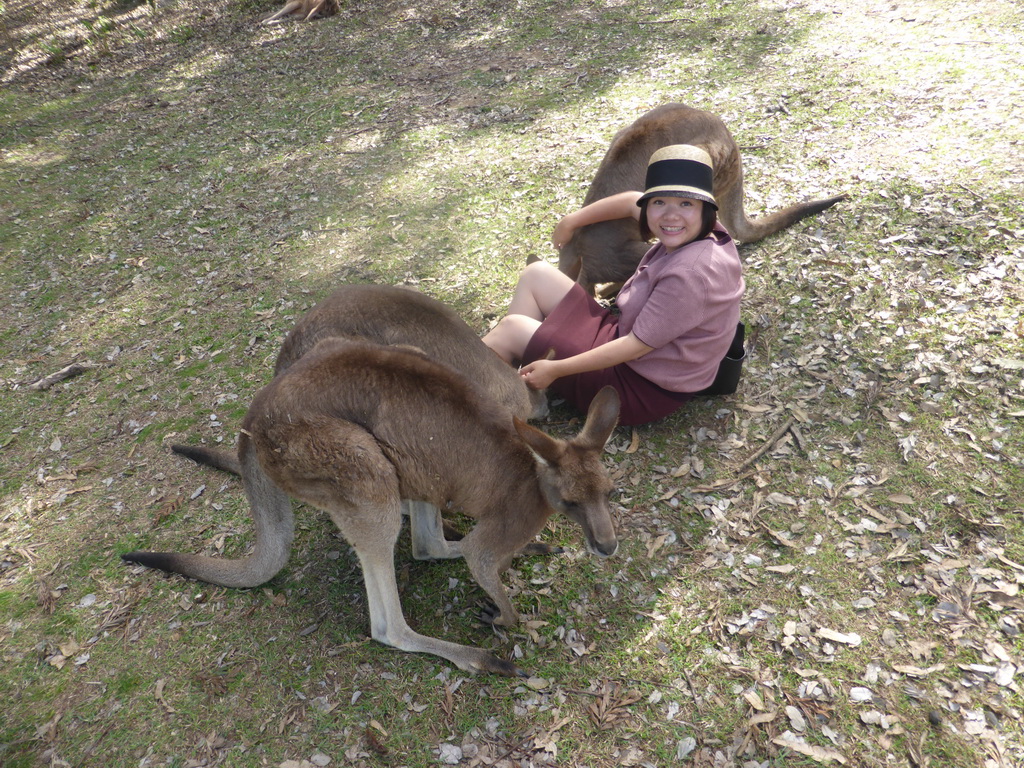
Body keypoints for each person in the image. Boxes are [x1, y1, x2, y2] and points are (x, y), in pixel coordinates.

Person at [481, 144, 744, 426]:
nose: (670, 216)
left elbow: (635, 346)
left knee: (510, 330)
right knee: (536, 274)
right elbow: (631, 201)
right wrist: (571, 221)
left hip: (637, 388)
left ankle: (465, 399)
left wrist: (555, 369)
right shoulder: (703, 230)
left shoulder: (691, 274)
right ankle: (518, 384)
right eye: (659, 202)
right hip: (622, 338)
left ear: (706, 209)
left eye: (685, 203)